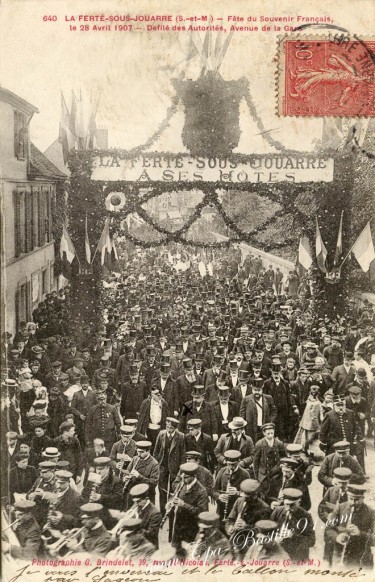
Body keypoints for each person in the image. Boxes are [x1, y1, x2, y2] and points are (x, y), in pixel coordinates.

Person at [324, 484, 375, 569]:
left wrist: (360, 533)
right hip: (339, 556)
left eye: (357, 500)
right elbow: (328, 529)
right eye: (350, 499)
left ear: (363, 498)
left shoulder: (371, 512)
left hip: (361, 559)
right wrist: (338, 537)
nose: (353, 503)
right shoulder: (340, 507)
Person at [225, 479, 272, 559]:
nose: (245, 500)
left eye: (247, 498)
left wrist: (246, 526)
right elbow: (230, 520)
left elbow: (263, 532)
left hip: (251, 545)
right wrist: (229, 527)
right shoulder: (239, 501)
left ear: (255, 495)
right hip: (236, 541)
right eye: (244, 496)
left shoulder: (264, 508)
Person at [169, 462, 209, 555]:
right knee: (175, 551)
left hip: (191, 527)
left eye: (186, 477)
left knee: (188, 553)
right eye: (182, 476)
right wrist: (170, 503)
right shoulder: (182, 483)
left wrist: (183, 504)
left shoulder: (201, 491)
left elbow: (202, 512)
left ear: (194, 476)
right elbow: (175, 496)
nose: (183, 479)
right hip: (178, 525)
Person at [271, 487, 315, 561]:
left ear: (299, 502)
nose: (288, 508)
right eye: (286, 504)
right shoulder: (277, 511)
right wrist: (274, 538)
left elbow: (311, 541)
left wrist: (293, 536)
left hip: (295, 554)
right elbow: (268, 532)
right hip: (278, 552)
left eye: (292, 505)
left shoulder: (306, 516)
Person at [154, 417, 185, 516]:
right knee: (162, 490)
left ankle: (170, 511)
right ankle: (163, 512)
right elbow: (156, 451)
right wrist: (157, 464)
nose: (169, 429)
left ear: (175, 428)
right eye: (167, 427)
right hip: (163, 466)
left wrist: (181, 468)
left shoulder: (180, 436)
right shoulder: (161, 434)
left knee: (173, 489)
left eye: (171, 428)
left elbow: (183, 454)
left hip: (174, 468)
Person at [212, 450, 250, 528]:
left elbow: (250, 494)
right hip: (221, 509)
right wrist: (219, 496)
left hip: (236, 509)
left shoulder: (245, 474)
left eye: (233, 465)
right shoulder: (222, 471)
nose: (231, 467)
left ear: (238, 462)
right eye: (229, 464)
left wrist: (237, 493)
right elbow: (214, 490)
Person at [240, 379, 277, 443]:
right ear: (252, 390)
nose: (257, 392)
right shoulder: (246, 399)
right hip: (251, 428)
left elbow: (274, 412)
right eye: (255, 390)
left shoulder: (268, 398)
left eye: (259, 390)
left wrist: (270, 422)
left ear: (262, 389)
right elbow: (242, 415)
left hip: (264, 427)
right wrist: (243, 428)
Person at [123, 441, 160, 505]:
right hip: (132, 493)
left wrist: (139, 476)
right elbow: (127, 472)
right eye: (138, 451)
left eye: (142, 452)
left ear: (148, 452)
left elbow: (153, 483)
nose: (139, 454)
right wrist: (125, 477)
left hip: (145, 495)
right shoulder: (135, 458)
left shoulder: (154, 464)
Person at [128, 483, 162, 549]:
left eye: (138, 501)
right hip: (136, 543)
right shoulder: (137, 504)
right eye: (135, 502)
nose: (136, 504)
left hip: (148, 546)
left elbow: (151, 534)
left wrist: (134, 528)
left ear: (146, 499)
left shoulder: (155, 513)